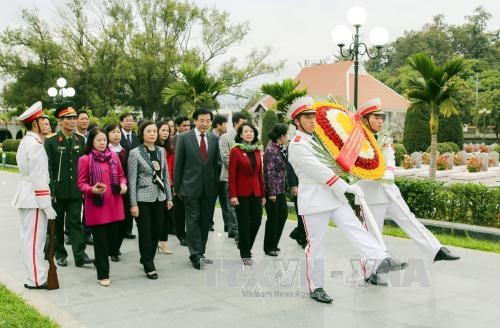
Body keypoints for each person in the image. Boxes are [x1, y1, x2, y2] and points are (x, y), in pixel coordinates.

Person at [286, 96, 405, 304]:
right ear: (297, 121)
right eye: (307, 117)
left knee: (355, 228)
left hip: (333, 196)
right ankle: (316, 286)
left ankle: (379, 259)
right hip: (314, 200)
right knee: (316, 245)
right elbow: (319, 171)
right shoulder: (297, 145)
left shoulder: (317, 140)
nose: (313, 121)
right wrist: (347, 186)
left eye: (314, 116)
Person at [355, 98, 460, 262]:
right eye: (376, 117)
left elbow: (390, 158)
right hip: (371, 194)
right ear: (365, 119)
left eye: (381, 117)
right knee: (373, 233)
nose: (380, 120)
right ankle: (370, 272)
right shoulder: (357, 141)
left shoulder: (385, 138)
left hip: (389, 190)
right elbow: (355, 167)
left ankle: (435, 250)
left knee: (409, 220)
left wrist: (389, 174)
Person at [12, 101, 57, 289]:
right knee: (34, 241)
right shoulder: (36, 145)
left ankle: (32, 276)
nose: (46, 123)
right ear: (34, 124)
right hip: (35, 198)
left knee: (28, 238)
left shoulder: (27, 141)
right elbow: (39, 179)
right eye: (41, 120)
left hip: (27, 195)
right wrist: (46, 204)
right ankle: (36, 279)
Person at [44, 101, 93, 268]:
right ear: (60, 121)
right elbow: (48, 167)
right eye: (68, 118)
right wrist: (51, 190)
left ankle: (80, 255)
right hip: (58, 191)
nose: (72, 121)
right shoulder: (51, 141)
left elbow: (85, 165)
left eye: (74, 117)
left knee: (76, 222)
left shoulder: (81, 139)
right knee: (57, 224)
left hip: (76, 190)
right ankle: (60, 253)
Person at [77, 128, 128, 287]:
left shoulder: (113, 156)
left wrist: (123, 185)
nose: (102, 143)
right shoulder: (85, 159)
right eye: (98, 140)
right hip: (97, 207)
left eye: (104, 140)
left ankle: (100, 263)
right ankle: (103, 274)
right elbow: (81, 183)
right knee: (101, 243)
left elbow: (121, 176)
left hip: (114, 205)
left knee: (113, 241)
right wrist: (91, 189)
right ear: (91, 141)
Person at [174, 108, 220, 270]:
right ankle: (195, 254)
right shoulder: (184, 138)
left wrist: (217, 185)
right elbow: (178, 163)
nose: (205, 124)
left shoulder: (214, 138)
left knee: (204, 221)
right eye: (201, 120)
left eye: (208, 121)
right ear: (195, 121)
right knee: (193, 221)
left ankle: (201, 251)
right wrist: (177, 187)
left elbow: (216, 164)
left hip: (209, 189)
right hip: (189, 187)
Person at [128, 121, 173, 279]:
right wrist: (133, 204)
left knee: (156, 231)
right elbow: (132, 180)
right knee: (145, 232)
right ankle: (149, 264)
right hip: (143, 198)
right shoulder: (135, 153)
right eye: (149, 131)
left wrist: (169, 196)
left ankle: (147, 257)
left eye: (155, 131)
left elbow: (165, 175)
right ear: (142, 133)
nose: (153, 134)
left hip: (159, 197)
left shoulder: (161, 150)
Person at [229, 123, 265, 265]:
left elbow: (259, 175)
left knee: (257, 221)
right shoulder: (236, 151)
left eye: (251, 131)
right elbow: (231, 175)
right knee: (244, 224)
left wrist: (263, 195)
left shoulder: (257, 150)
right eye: (246, 131)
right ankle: (245, 254)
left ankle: (245, 246)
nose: (249, 133)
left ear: (255, 134)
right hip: (241, 194)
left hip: (256, 193)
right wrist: (233, 195)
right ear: (241, 135)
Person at [219, 112, 247, 240]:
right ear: (236, 123)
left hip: (244, 177)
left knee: (241, 204)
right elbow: (225, 158)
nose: (245, 126)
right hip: (229, 176)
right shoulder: (225, 137)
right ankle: (237, 232)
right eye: (243, 123)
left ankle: (233, 229)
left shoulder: (245, 136)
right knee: (232, 204)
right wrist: (243, 166)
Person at [263, 123, 289, 257]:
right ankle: (269, 247)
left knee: (283, 215)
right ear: (282, 136)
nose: (288, 137)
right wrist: (271, 193)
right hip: (272, 191)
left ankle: (274, 243)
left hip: (281, 189)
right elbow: (269, 172)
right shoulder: (271, 150)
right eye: (287, 134)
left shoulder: (279, 148)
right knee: (273, 218)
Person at [105, 123, 128, 261]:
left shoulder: (126, 150)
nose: (116, 135)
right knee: (109, 221)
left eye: (118, 132)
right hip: (107, 191)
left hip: (123, 189)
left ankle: (115, 247)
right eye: (113, 132)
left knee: (122, 221)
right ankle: (110, 248)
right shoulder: (103, 150)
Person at [155, 120, 175, 254]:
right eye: (162, 130)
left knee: (167, 214)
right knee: (157, 215)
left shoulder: (171, 147)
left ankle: (163, 242)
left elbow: (173, 167)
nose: (165, 133)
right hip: (156, 184)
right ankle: (156, 240)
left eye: (167, 131)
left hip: (169, 183)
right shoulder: (152, 147)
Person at [119, 113, 140, 240]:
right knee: (122, 203)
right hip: (121, 173)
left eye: (131, 121)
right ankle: (120, 230)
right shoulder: (117, 135)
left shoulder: (135, 137)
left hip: (134, 173)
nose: (129, 123)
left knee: (130, 202)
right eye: (126, 120)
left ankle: (128, 229)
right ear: (121, 122)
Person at [172, 115, 191, 246]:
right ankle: (181, 234)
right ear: (177, 126)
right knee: (179, 211)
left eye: (189, 125)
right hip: (177, 180)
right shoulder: (172, 140)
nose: (187, 128)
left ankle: (191, 234)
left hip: (191, 179)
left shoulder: (193, 138)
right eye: (184, 125)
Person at [209, 114, 229, 232]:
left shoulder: (224, 137)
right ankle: (209, 223)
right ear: (218, 125)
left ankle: (228, 224)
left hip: (223, 173)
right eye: (225, 124)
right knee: (211, 201)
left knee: (225, 200)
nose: (226, 126)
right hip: (213, 174)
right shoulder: (210, 137)